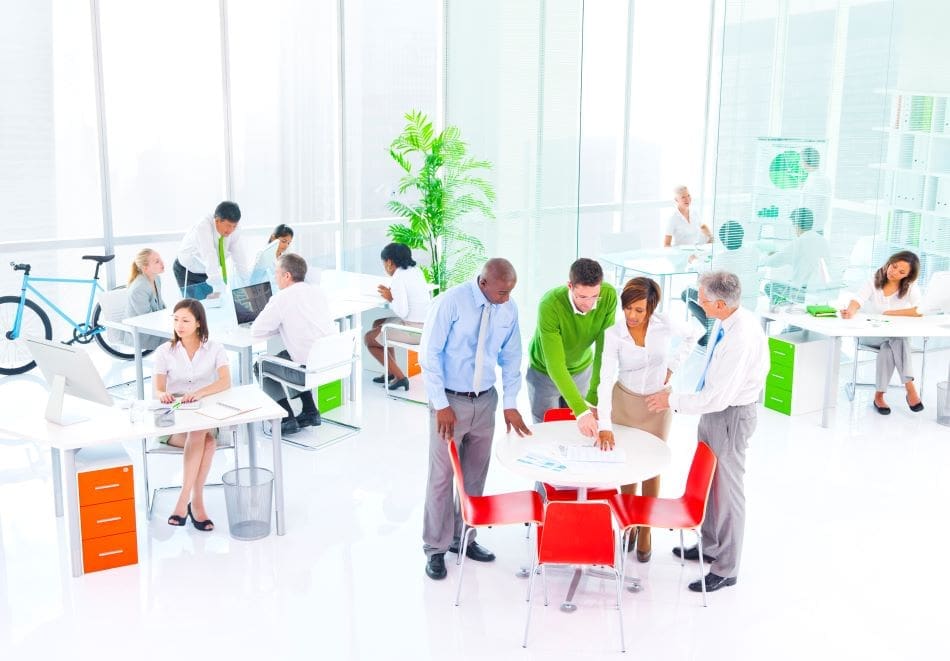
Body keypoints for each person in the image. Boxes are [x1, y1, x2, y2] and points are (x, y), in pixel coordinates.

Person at [645, 271, 769, 594]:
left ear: (719, 303)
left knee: (727, 492)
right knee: (711, 483)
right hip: (717, 414)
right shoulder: (728, 322)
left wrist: (671, 401)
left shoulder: (740, 338)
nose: (697, 301)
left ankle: (726, 569)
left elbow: (718, 397)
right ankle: (710, 545)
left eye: (702, 298)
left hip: (729, 416)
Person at [419, 258, 532, 581]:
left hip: (485, 401)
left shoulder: (508, 310)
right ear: (483, 282)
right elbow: (429, 354)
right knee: (442, 477)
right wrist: (440, 404)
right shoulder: (451, 302)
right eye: (501, 292)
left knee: (474, 477)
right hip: (449, 402)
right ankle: (436, 549)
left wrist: (510, 402)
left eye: (510, 291)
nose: (506, 298)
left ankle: (464, 539)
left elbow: (512, 357)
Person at [596, 277, 704, 562]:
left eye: (639, 310)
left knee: (652, 465)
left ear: (651, 308)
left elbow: (695, 333)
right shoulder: (614, 333)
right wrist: (604, 426)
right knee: (627, 463)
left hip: (656, 405)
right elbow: (605, 380)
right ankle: (630, 522)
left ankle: (645, 528)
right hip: (625, 402)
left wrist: (672, 366)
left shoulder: (665, 324)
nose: (632, 316)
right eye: (628, 308)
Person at [152, 299, 231, 531]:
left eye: (185, 320)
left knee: (199, 432)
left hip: (204, 414)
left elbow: (226, 381)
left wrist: (199, 393)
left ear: (198, 323)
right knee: (207, 442)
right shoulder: (164, 351)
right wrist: (163, 394)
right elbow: (157, 389)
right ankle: (195, 502)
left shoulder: (215, 348)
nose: (179, 325)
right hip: (174, 420)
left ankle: (183, 501)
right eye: (176, 319)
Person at [527, 258, 617, 437]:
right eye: (582, 296)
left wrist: (592, 396)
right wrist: (581, 410)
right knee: (547, 432)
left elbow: (603, 351)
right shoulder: (550, 304)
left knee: (577, 432)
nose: (589, 304)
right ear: (570, 286)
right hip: (544, 373)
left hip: (581, 370)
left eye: (594, 296)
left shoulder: (608, 296)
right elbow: (555, 365)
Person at [251, 253, 336, 435]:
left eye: (277, 273)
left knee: (261, 365)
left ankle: (285, 419)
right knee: (286, 356)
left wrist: (280, 326)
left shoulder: (282, 298)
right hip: (331, 364)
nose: (275, 277)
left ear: (287, 275)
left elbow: (256, 331)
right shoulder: (317, 291)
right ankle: (310, 411)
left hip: (308, 371)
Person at [840, 250, 924, 414]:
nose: (894, 272)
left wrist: (889, 313)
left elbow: (920, 310)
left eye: (901, 272)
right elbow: (858, 299)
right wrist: (850, 311)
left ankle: (879, 396)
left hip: (892, 339)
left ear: (907, 276)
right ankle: (910, 388)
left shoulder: (909, 286)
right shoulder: (874, 279)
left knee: (890, 345)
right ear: (890, 262)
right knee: (899, 339)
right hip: (870, 335)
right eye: (894, 266)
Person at [365, 243, 430, 390]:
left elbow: (402, 312)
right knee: (378, 323)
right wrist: (394, 294)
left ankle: (400, 378)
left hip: (414, 330)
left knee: (369, 339)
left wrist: (390, 297)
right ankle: (390, 372)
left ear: (389, 262)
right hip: (424, 325)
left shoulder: (398, 277)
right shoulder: (415, 271)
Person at [683, 221, 761, 343]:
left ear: (723, 241)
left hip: (727, 305)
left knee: (686, 293)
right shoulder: (754, 254)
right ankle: (712, 329)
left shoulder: (722, 259)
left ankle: (711, 329)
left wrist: (693, 260)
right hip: (750, 302)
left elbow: (703, 270)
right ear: (741, 236)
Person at [174, 201, 251, 300]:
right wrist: (218, 287)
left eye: (234, 226)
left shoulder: (234, 229)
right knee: (198, 308)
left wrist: (248, 282)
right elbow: (209, 255)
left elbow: (239, 256)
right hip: (187, 271)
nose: (231, 230)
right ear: (217, 220)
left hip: (206, 271)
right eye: (228, 225)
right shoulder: (203, 227)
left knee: (213, 305)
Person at [762, 207, 831, 304]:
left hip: (802, 293)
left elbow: (773, 262)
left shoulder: (800, 241)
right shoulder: (823, 241)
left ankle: (785, 309)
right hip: (821, 291)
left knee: (769, 287)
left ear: (796, 225)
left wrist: (769, 256)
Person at [123, 248, 166, 350]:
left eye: (160, 259)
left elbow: (161, 306)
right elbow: (148, 319)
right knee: (183, 336)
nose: (162, 263)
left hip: (155, 327)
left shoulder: (156, 279)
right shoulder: (138, 289)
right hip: (143, 335)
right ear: (145, 268)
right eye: (157, 261)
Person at [799, 147, 831, 235]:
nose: (800, 163)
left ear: (806, 162)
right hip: (818, 227)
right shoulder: (823, 179)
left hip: (811, 229)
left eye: (801, 160)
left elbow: (811, 208)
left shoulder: (814, 181)